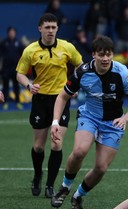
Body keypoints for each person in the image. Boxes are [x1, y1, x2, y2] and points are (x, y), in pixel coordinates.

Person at [50, 35, 128, 209]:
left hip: (113, 123)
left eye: (109, 54)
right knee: (79, 151)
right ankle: (64, 187)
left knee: (101, 168)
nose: (105, 58)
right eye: (101, 55)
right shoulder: (82, 72)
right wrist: (55, 122)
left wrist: (125, 119)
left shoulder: (122, 73)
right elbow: (62, 96)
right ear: (93, 55)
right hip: (90, 116)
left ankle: (78, 196)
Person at [16, 13, 83, 198]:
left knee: (56, 144)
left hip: (61, 99)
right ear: (40, 29)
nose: (51, 30)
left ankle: (50, 185)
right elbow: (20, 74)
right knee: (38, 147)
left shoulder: (67, 47)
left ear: (57, 29)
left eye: (53, 27)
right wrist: (29, 85)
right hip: (40, 101)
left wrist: (74, 84)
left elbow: (80, 65)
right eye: (47, 27)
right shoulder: (30, 50)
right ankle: (37, 175)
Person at [0, 26, 25, 110]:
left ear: (15, 33)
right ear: (8, 33)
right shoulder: (3, 43)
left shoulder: (18, 43)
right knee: (5, 86)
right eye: (10, 32)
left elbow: (24, 55)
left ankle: (18, 102)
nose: (11, 34)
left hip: (16, 69)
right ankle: (5, 102)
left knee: (16, 86)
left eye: (13, 32)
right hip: (6, 69)